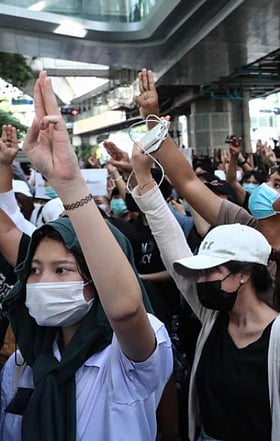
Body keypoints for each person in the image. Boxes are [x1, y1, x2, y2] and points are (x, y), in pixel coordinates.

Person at [0, 71, 172, 440]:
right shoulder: (23, 363)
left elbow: (125, 309)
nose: (42, 282)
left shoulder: (128, 360)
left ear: (96, 284)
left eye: (62, 270)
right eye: (34, 270)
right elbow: (7, 229)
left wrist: (68, 183)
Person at [129, 141, 280, 440]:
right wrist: (144, 179)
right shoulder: (213, 317)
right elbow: (172, 246)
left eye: (212, 269)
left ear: (245, 273)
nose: (202, 279)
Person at [133, 69, 280, 329]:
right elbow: (188, 182)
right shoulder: (241, 223)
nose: (263, 187)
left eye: (277, 185)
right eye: (267, 181)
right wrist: (152, 119)